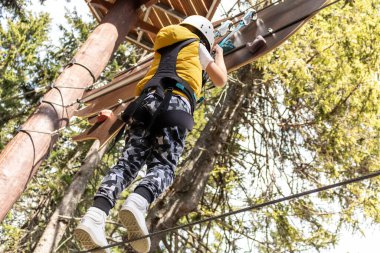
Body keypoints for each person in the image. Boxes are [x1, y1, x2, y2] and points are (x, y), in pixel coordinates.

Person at [74, 15, 227, 253]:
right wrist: (218, 55)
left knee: (126, 165)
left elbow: (151, 84)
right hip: (176, 103)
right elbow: (220, 79)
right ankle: (138, 201)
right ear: (203, 34)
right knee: (164, 165)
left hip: (143, 105)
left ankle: (95, 216)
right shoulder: (196, 45)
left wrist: (117, 116)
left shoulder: (161, 51)